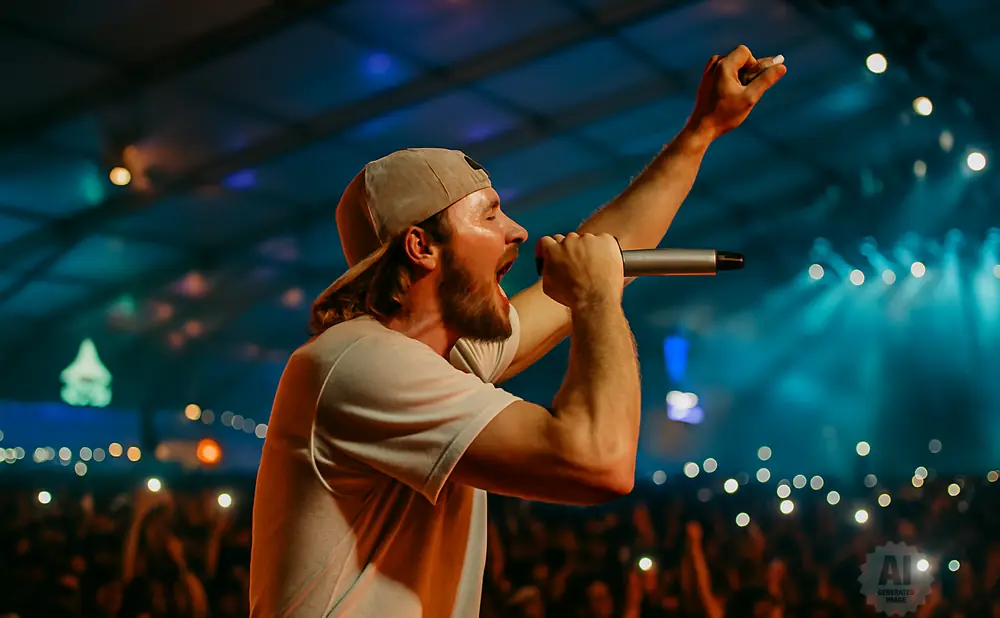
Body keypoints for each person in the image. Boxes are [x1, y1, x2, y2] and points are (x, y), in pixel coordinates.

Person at [249, 45, 786, 617]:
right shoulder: (358, 363)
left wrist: (702, 131)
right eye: (489, 215)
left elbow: (615, 245)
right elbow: (598, 460)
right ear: (421, 246)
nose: (519, 232)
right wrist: (598, 298)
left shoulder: (442, 356)